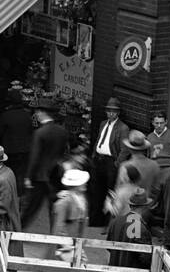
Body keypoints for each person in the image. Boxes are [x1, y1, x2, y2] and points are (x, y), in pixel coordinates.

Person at [20, 99, 68, 228]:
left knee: (30, 207)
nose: (37, 114)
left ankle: (18, 229)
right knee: (55, 208)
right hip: (55, 175)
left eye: (38, 111)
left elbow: (35, 157)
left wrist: (28, 177)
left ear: (42, 113)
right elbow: (64, 153)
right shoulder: (62, 131)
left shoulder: (39, 133)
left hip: (39, 176)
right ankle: (56, 234)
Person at [145, 110, 170, 245]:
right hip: (155, 173)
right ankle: (144, 234)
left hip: (169, 174)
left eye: (161, 123)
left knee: (169, 207)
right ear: (152, 123)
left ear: (166, 122)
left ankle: (168, 239)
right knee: (148, 203)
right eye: (156, 123)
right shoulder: (149, 137)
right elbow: (147, 157)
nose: (159, 125)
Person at [88, 96, 130, 226]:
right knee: (96, 191)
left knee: (110, 192)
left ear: (118, 113)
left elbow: (125, 149)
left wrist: (117, 163)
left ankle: (107, 223)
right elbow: (99, 139)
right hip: (99, 160)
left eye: (114, 111)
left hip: (111, 162)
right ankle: (96, 220)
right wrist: (94, 154)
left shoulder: (123, 128)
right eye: (109, 111)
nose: (111, 113)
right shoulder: (103, 124)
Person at [106, 188, 153, 269]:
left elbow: (109, 247)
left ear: (130, 205)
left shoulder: (115, 222)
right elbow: (145, 258)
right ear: (144, 207)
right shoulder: (139, 227)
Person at [115, 129, 161, 205]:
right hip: (146, 206)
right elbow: (157, 190)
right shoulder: (154, 165)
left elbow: (118, 190)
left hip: (128, 207)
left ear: (129, 148)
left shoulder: (125, 166)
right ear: (144, 148)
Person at [52, 167, 90, 239]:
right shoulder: (63, 203)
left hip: (77, 242)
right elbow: (59, 228)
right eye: (83, 183)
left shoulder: (83, 200)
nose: (85, 184)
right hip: (65, 245)